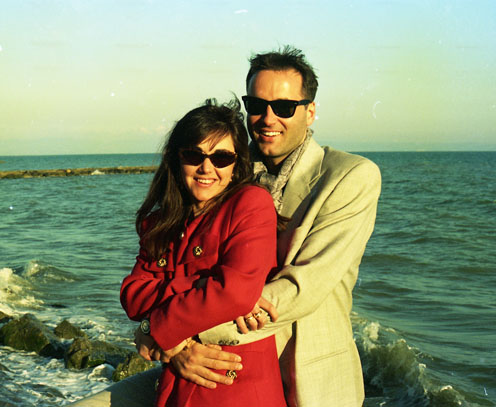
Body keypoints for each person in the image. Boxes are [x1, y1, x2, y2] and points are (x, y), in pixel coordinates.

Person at [72, 46, 381, 407]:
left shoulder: (348, 176)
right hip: (205, 365)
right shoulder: (226, 166)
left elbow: (300, 290)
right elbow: (145, 282)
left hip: (304, 376)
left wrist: (168, 335)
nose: (268, 118)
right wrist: (169, 339)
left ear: (310, 111)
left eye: (284, 107)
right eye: (257, 105)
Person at [120, 98, 286, 406]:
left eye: (221, 157)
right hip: (173, 386)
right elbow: (132, 295)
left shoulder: (250, 205)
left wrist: (154, 327)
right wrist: (200, 289)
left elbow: (235, 293)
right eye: (194, 155)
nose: (207, 167)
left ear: (236, 165)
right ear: (176, 159)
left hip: (236, 387)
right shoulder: (159, 223)